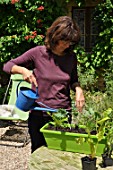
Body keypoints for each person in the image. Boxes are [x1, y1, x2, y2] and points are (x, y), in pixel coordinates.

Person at [3, 16, 85, 153]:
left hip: (62, 115)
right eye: (64, 41)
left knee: (61, 154)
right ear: (54, 37)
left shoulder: (71, 57)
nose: (67, 45)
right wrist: (23, 70)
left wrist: (78, 89)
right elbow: (8, 66)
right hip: (39, 114)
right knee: (38, 154)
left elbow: (73, 80)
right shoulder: (38, 53)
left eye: (70, 42)